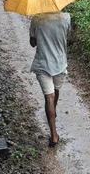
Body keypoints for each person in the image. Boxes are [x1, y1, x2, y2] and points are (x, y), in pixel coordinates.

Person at [29, 11, 71, 147]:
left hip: (43, 64)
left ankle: (53, 136)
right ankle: (53, 113)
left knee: (49, 96)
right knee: (56, 91)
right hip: (60, 62)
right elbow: (67, 37)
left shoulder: (36, 19)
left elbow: (32, 43)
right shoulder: (66, 17)